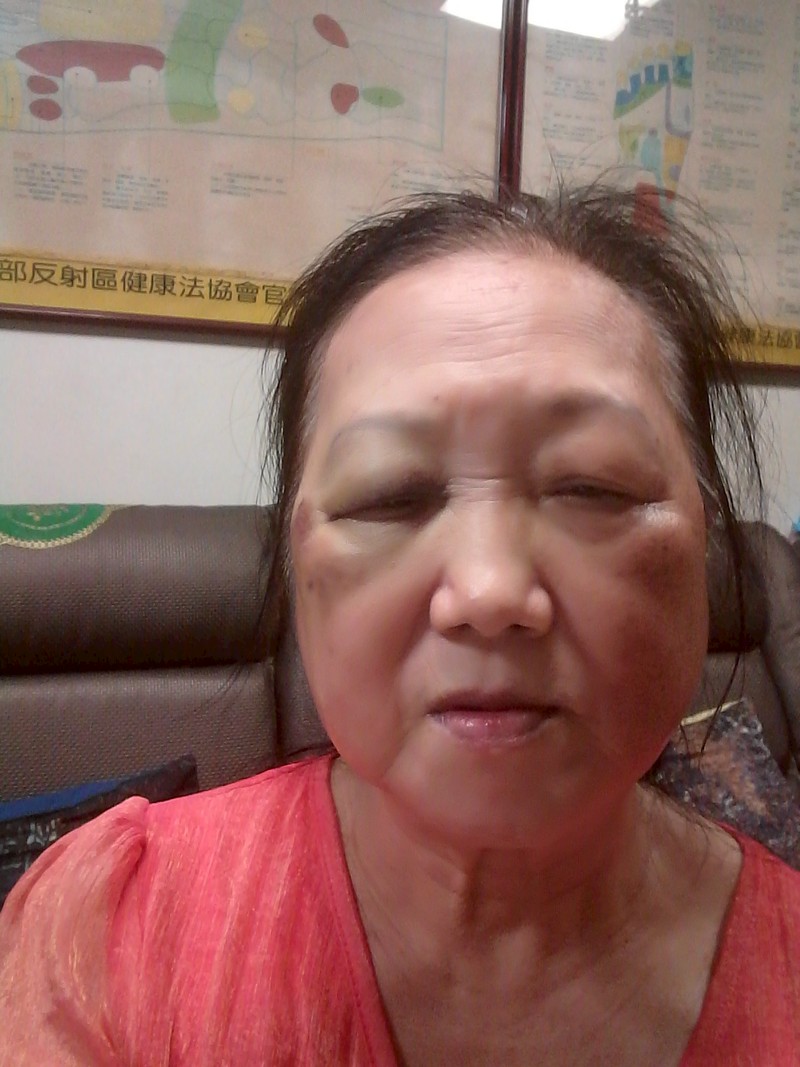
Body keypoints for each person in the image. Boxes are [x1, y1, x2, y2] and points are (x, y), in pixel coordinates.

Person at [1, 184, 798, 1066]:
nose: (489, 591)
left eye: (593, 487)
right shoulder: (110, 937)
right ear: (299, 564)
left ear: (705, 546)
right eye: (390, 496)